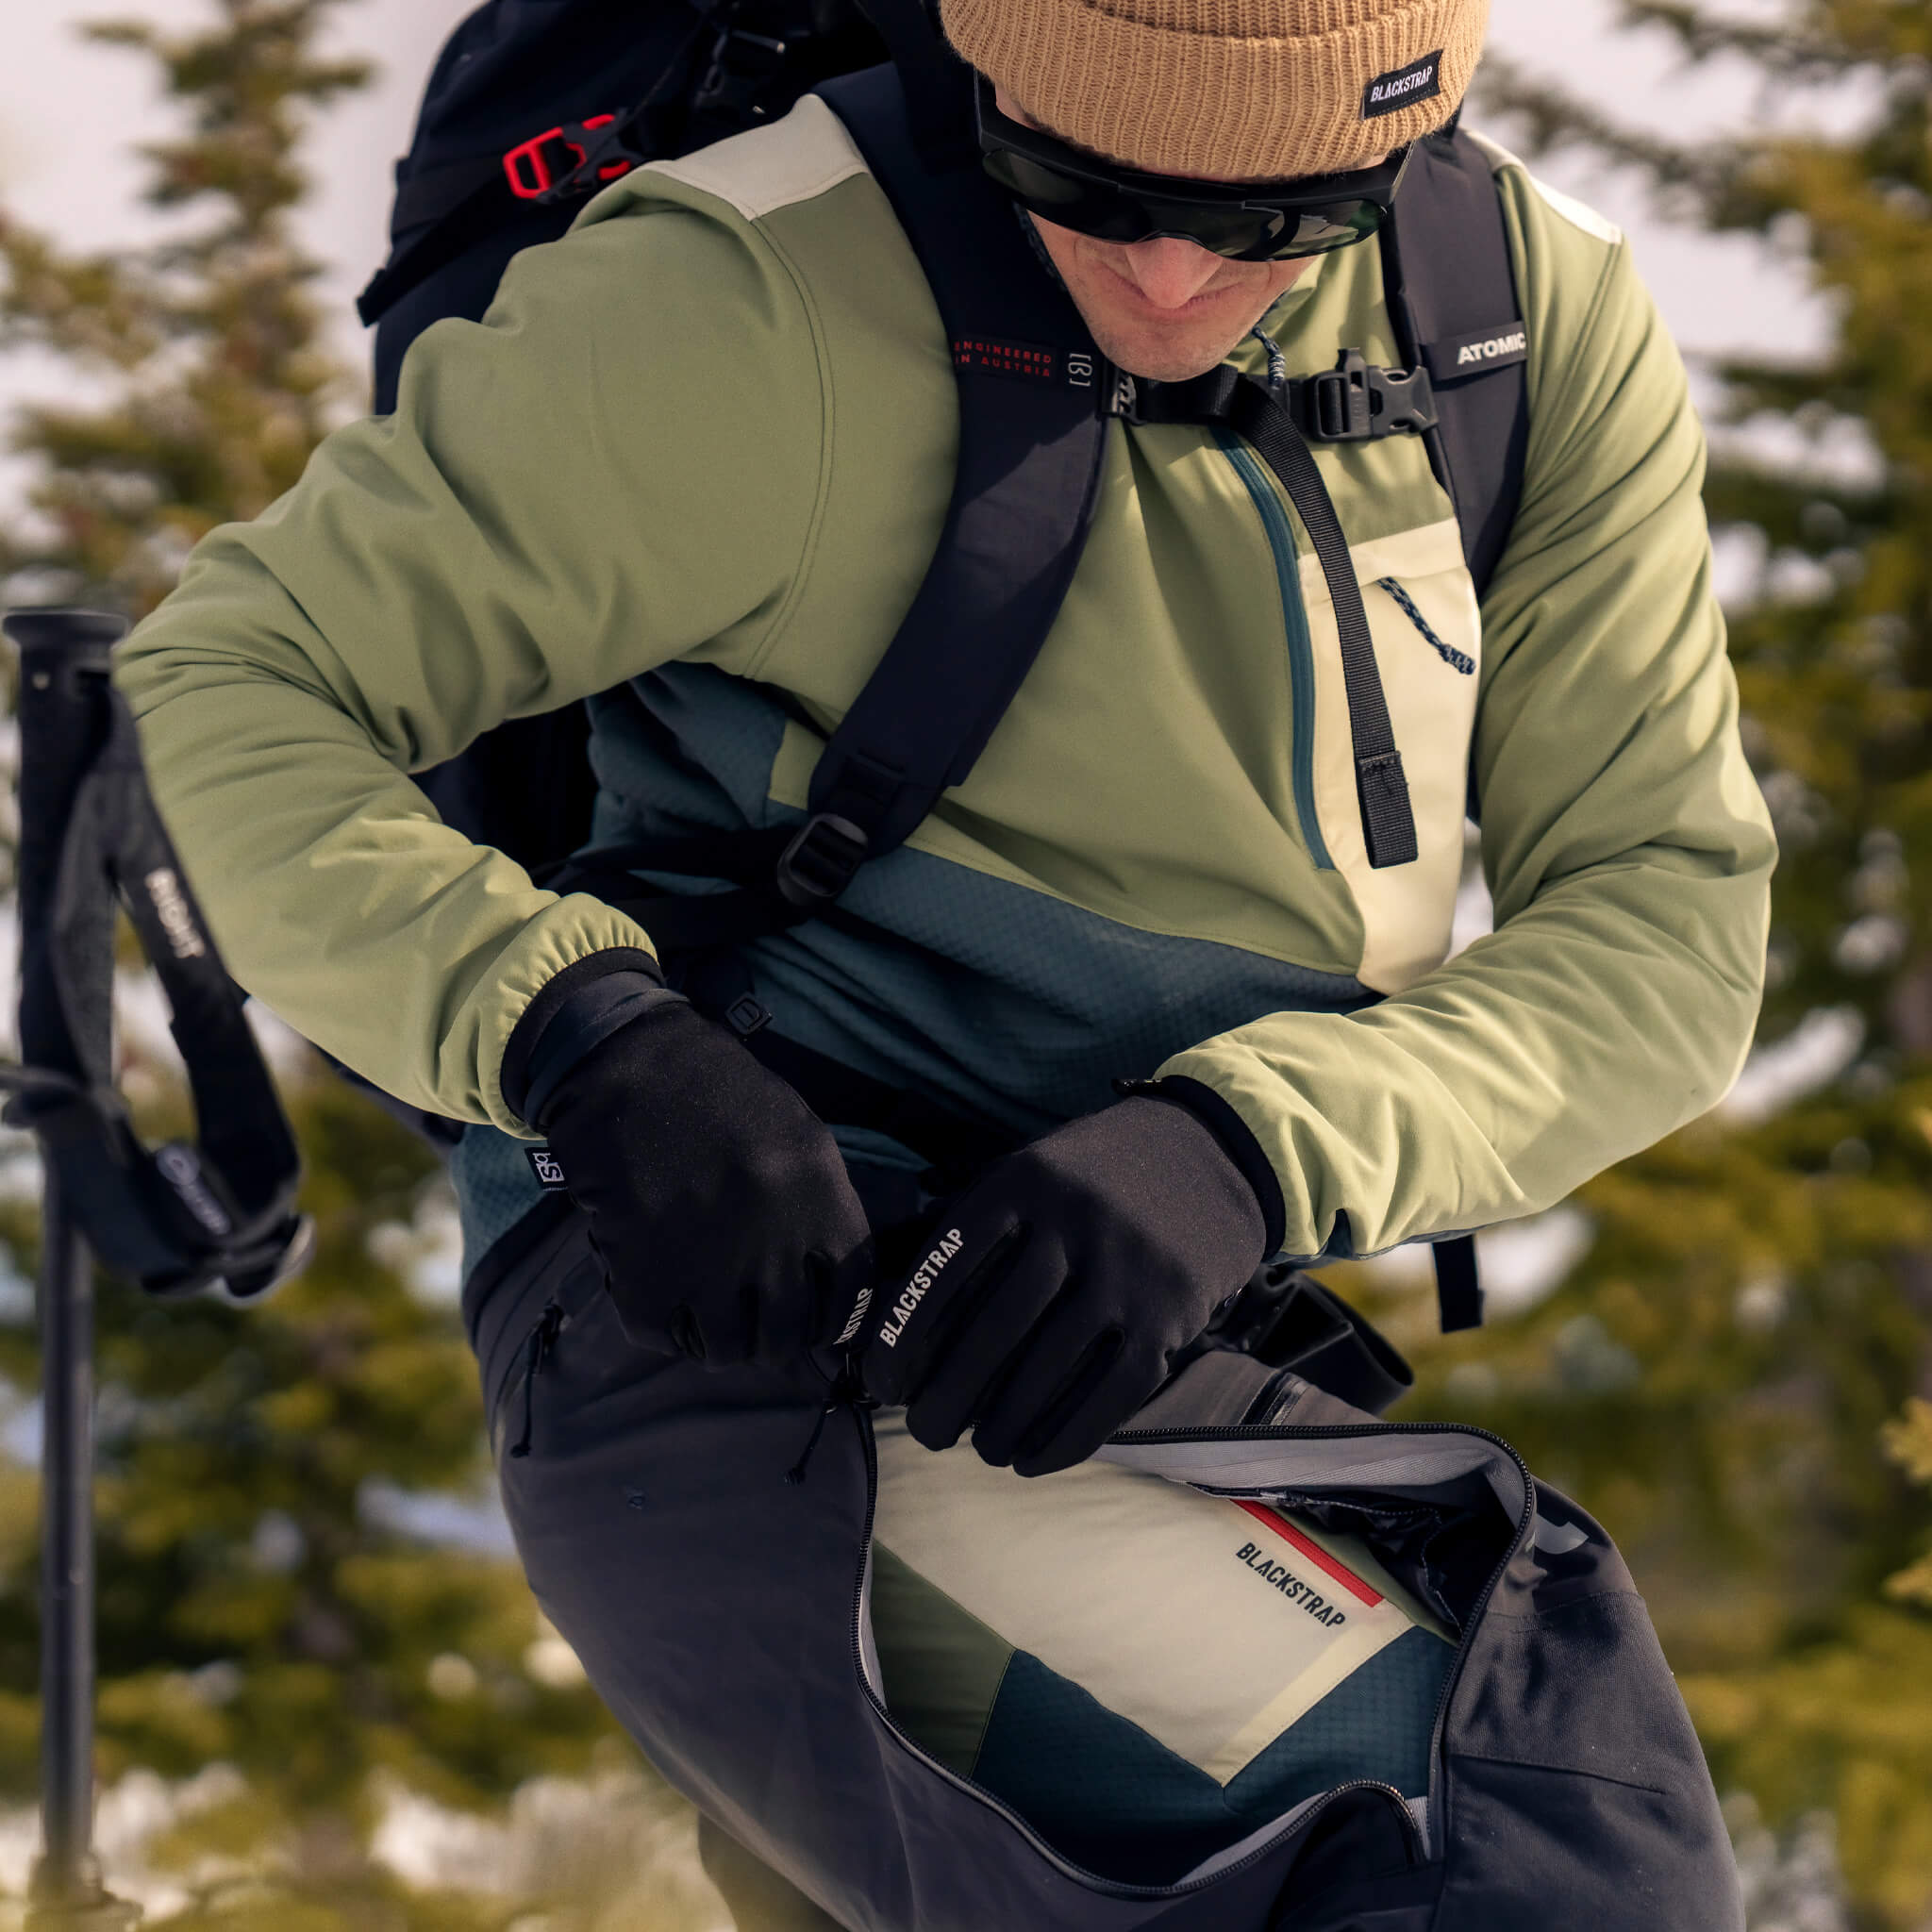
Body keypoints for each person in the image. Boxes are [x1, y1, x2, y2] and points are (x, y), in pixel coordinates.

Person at [114, 0, 1774, 1920]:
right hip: (758, 1300)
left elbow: (1657, 913)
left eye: (1267, 221)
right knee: (1505, 1833)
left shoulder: (1511, 326)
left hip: (1149, 1324)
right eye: (1083, 182)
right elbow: (226, 681)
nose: (1165, 273)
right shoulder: (749, 296)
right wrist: (574, 1034)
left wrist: (1245, 1148)